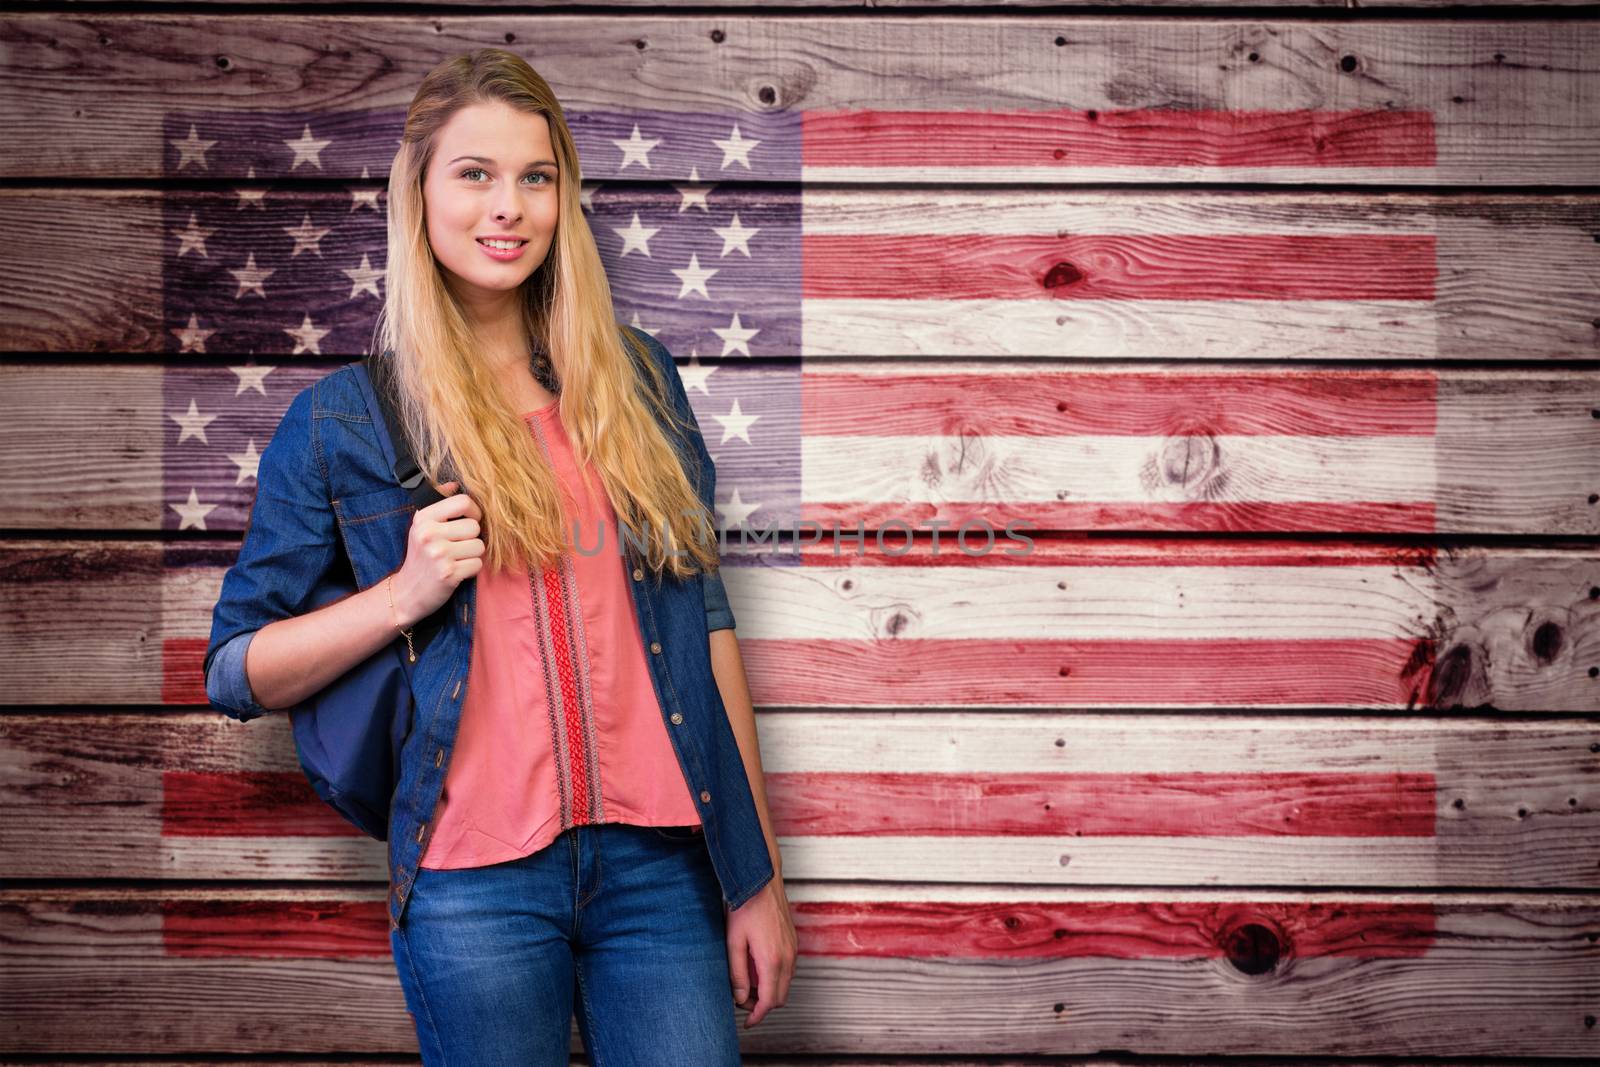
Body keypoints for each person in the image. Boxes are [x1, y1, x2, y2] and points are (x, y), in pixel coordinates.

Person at [202, 47, 796, 1064]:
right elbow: (235, 669)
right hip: (472, 878)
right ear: (420, 192)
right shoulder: (342, 421)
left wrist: (757, 877)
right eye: (473, 173)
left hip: (665, 867)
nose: (506, 206)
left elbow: (707, 627)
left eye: (535, 176)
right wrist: (402, 594)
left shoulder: (639, 380)